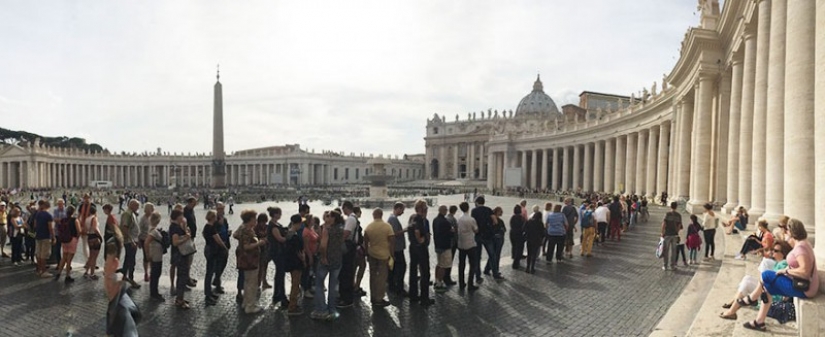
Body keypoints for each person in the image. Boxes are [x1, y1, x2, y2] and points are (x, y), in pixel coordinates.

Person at [741, 219, 819, 331]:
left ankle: (752, 298)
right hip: (803, 284)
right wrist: (787, 269)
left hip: (805, 288)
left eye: (787, 229)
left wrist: (786, 271)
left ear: (791, 231)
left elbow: (805, 272)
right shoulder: (804, 244)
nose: (785, 232)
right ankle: (759, 321)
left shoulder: (801, 248)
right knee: (767, 286)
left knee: (766, 275)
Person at [719, 241, 792, 319]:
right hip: (770, 291)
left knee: (747, 283)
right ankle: (734, 302)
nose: (772, 252)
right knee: (747, 278)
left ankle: (732, 311)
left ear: (783, 253)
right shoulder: (779, 263)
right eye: (773, 250)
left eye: (776, 251)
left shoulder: (783, 264)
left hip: (773, 296)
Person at [312, 210, 345, 321]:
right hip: (337, 260)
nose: (327, 218)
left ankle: (321, 310)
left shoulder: (327, 230)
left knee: (319, 284)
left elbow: (323, 245)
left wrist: (323, 257)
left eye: (329, 216)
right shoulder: (341, 229)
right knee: (333, 286)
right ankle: (332, 310)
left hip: (326, 260)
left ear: (333, 218)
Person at [235, 209, 267, 314]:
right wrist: (259, 243)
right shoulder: (247, 230)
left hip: (246, 259)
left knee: (247, 281)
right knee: (252, 283)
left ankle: (246, 302)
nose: (256, 221)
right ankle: (250, 306)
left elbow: (235, 235)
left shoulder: (243, 228)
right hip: (250, 260)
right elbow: (246, 246)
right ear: (250, 219)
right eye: (254, 219)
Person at [363, 208, 394, 307]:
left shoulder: (369, 227)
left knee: (372, 276)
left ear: (373, 215)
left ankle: (373, 296)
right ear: (381, 215)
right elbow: (392, 241)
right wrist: (392, 255)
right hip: (383, 255)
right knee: (382, 277)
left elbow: (365, 242)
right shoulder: (387, 226)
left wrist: (366, 254)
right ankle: (379, 298)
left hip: (372, 253)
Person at [407, 199, 434, 306]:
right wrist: (421, 239)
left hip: (413, 247)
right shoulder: (419, 219)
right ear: (422, 209)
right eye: (425, 208)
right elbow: (417, 231)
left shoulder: (412, 217)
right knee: (425, 272)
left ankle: (413, 295)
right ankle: (424, 298)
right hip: (420, 248)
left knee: (413, 271)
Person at [203, 210, 228, 306]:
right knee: (209, 273)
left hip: (209, 249)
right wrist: (225, 248)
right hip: (212, 251)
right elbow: (218, 240)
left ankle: (209, 292)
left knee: (210, 272)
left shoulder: (206, 226)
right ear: (213, 218)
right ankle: (207, 295)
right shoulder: (211, 228)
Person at [169, 209, 193, 309]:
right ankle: (179, 300)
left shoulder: (177, 226)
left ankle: (180, 297)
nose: (183, 218)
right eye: (181, 216)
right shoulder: (175, 228)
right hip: (180, 255)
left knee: (181, 277)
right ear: (178, 217)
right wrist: (186, 238)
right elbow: (175, 242)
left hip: (180, 255)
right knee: (182, 277)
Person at [337, 201, 358, 308]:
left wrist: (337, 243)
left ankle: (346, 298)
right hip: (352, 247)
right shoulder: (354, 217)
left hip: (348, 248)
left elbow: (346, 234)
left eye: (343, 208)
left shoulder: (350, 219)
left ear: (346, 208)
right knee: (348, 272)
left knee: (345, 272)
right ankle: (347, 296)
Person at [284, 214, 306, 315]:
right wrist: (303, 260)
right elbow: (298, 252)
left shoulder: (288, 234)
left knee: (294, 283)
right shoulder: (295, 236)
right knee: (295, 284)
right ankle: (292, 306)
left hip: (290, 261)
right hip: (296, 263)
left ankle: (293, 304)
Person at [266, 206, 288, 309]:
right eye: (279, 213)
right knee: (280, 274)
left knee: (279, 273)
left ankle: (277, 295)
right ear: (275, 214)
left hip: (278, 251)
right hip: (277, 252)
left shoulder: (275, 224)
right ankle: (281, 296)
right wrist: (289, 237)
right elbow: (280, 239)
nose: (280, 215)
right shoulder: (273, 226)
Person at [54, 205, 81, 283]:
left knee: (64, 257)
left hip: (64, 240)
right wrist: (77, 238)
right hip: (72, 239)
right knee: (69, 259)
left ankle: (58, 273)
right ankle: (67, 275)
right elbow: (79, 231)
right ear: (73, 212)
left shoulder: (63, 220)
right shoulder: (75, 220)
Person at [471, 196, 494, 285]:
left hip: (478, 235)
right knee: (492, 255)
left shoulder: (474, 211)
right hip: (487, 235)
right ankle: (493, 272)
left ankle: (478, 276)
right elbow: (495, 221)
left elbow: (473, 223)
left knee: (477, 257)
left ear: (477, 202)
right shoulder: (488, 209)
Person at [456, 202, 479, 290]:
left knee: (461, 264)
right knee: (472, 264)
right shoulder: (471, 219)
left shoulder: (459, 218)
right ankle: (470, 284)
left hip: (461, 244)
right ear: (468, 208)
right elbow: (476, 230)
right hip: (470, 243)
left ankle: (461, 283)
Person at [387, 202, 408, 296]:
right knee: (401, 267)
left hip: (395, 248)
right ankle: (399, 288)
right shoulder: (393, 219)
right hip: (396, 248)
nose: (403, 212)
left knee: (394, 268)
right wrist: (405, 229)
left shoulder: (392, 218)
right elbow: (394, 233)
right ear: (398, 209)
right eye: (402, 210)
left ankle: (392, 286)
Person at [119, 199, 141, 289]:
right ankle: (131, 278)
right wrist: (132, 241)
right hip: (129, 241)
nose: (138, 208)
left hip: (132, 239)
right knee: (131, 260)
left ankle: (124, 275)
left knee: (128, 259)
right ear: (131, 205)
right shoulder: (127, 214)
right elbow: (125, 228)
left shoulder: (131, 213)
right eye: (137, 206)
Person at [144, 212, 165, 301]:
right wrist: (147, 255)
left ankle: (155, 292)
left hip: (157, 255)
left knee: (155, 274)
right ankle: (154, 293)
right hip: (155, 255)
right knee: (155, 274)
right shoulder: (153, 231)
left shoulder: (154, 230)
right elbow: (146, 243)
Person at [432, 205, 453, 292]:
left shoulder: (435, 220)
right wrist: (452, 231)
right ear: (444, 211)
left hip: (438, 245)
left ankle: (436, 280)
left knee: (439, 264)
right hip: (445, 246)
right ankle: (439, 284)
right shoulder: (445, 222)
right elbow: (450, 233)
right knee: (443, 266)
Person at [33, 200, 55, 277]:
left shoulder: (38, 214)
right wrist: (53, 237)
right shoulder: (49, 215)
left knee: (38, 254)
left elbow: (35, 225)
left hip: (38, 235)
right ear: (49, 206)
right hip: (45, 236)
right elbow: (50, 228)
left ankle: (39, 270)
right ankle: (44, 271)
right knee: (44, 255)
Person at [212, 203, 231, 295]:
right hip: (217, 246)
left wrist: (228, 233)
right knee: (218, 265)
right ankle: (218, 285)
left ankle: (216, 279)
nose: (221, 211)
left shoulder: (225, 219)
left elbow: (226, 229)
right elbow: (213, 232)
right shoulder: (214, 220)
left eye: (222, 209)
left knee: (224, 263)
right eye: (220, 209)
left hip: (225, 243)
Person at [302, 214, 320, 299]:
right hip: (308, 254)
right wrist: (310, 256)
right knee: (307, 272)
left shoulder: (311, 229)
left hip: (314, 253)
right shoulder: (306, 231)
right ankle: (305, 289)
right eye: (312, 220)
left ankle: (309, 287)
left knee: (311, 272)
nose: (314, 221)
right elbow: (306, 246)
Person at [484, 206, 505, 279]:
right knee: (496, 255)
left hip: (493, 239)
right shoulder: (498, 221)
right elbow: (503, 230)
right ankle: (495, 271)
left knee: (492, 255)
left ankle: (487, 269)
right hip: (497, 240)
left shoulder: (491, 221)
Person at [661, 202, 682, 271]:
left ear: (670, 206)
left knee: (666, 250)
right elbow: (679, 226)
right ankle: (672, 265)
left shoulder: (667, 214)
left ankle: (665, 265)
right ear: (676, 207)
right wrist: (677, 232)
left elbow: (664, 224)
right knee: (674, 251)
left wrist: (662, 232)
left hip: (667, 234)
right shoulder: (678, 215)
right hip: (674, 235)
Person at [524, 206, 546, 274]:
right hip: (537, 240)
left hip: (529, 239)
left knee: (529, 254)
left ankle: (527, 267)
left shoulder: (529, 221)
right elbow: (543, 233)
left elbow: (524, 229)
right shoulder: (540, 223)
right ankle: (532, 268)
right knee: (534, 254)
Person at [82, 206, 102, 280]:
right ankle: (92, 274)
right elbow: (95, 228)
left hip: (89, 237)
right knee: (94, 257)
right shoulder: (94, 218)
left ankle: (86, 272)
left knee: (90, 256)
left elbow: (85, 230)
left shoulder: (87, 219)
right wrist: (100, 236)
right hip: (95, 237)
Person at [137, 202, 154, 283]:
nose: (153, 210)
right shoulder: (143, 219)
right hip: (144, 239)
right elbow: (139, 230)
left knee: (152, 256)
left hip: (152, 239)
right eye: (151, 209)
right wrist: (139, 241)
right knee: (146, 257)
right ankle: (146, 273)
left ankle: (151, 272)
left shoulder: (152, 217)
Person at [255, 213, 271, 290]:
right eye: (262, 222)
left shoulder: (267, 227)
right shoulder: (256, 228)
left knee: (265, 266)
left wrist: (267, 239)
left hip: (266, 249)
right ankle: (258, 283)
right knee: (260, 267)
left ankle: (264, 281)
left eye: (264, 222)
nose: (263, 223)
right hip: (258, 250)